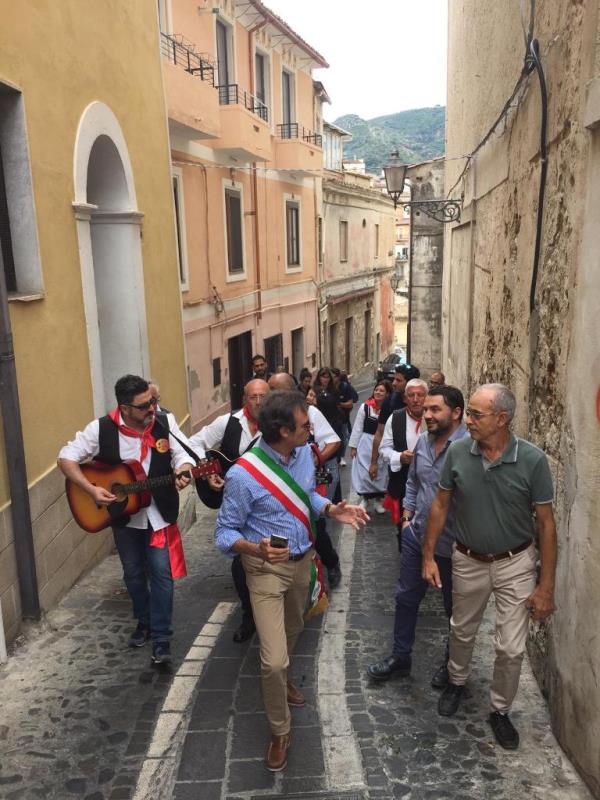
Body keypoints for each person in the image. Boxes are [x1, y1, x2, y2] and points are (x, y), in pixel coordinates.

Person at [214, 391, 368, 771]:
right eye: (303, 425)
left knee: (296, 625)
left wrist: (331, 507)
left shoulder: (303, 454)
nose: (310, 429)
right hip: (265, 570)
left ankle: (282, 683)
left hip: (304, 563)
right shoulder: (242, 475)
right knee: (274, 659)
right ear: (282, 430)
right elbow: (222, 534)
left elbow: (304, 499)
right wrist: (256, 548)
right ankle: (280, 730)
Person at [422, 383, 557, 750]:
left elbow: (546, 524)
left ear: (502, 419)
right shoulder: (458, 453)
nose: (468, 420)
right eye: (469, 414)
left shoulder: (532, 460)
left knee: (511, 648)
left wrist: (545, 586)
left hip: (516, 562)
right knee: (462, 630)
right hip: (468, 559)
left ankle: (500, 709)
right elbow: (440, 505)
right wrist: (429, 555)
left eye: (476, 415)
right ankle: (457, 680)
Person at [57, 374, 195, 665]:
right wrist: (91, 489)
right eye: (145, 405)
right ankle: (143, 622)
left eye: (153, 401)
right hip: (124, 519)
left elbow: (184, 454)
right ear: (125, 407)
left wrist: (183, 470)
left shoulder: (163, 423)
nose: (152, 408)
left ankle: (161, 638)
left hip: (159, 514)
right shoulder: (101, 429)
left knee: (161, 574)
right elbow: (66, 457)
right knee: (132, 574)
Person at [367, 385, 467, 687]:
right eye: (425, 410)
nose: (427, 415)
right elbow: (412, 483)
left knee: (456, 609)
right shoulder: (423, 442)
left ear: (457, 413)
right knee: (406, 598)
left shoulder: (469, 449)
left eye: (435, 409)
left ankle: (453, 667)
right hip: (416, 536)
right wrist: (408, 519)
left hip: (454, 545)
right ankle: (401, 656)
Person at [189, 379, 269, 643]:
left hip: (269, 504)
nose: (258, 402)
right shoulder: (227, 423)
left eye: (262, 397)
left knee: (275, 555)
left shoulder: (279, 423)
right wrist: (209, 469)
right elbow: (195, 442)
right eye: (253, 397)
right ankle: (249, 615)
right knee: (240, 562)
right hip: (238, 505)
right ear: (244, 399)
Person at [269, 373, 343, 588]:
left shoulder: (310, 413)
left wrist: (314, 458)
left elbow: (333, 441)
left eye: (274, 390)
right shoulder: (265, 418)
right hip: (274, 483)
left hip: (304, 482)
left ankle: (331, 562)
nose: (268, 395)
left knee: (315, 525)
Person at [379, 379, 428, 549]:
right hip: (404, 486)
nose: (415, 399)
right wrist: (400, 457)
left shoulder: (435, 417)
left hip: (431, 486)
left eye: (420, 395)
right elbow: (384, 450)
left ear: (427, 397)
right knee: (405, 529)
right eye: (411, 395)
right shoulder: (396, 417)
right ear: (405, 398)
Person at [369, 363, 420, 483]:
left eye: (398, 380)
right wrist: (374, 462)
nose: (394, 383)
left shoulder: (423, 403)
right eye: (394, 379)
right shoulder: (390, 402)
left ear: (410, 383)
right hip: (397, 465)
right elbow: (379, 433)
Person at [348, 380, 391, 513]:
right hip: (366, 443)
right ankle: (365, 500)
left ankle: (379, 501)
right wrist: (353, 446)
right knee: (365, 473)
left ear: (387, 394)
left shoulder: (390, 409)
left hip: (383, 443)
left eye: (381, 391)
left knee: (381, 473)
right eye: (376, 390)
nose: (378, 392)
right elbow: (357, 427)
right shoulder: (365, 407)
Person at [331, 368, 354, 467]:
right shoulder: (328, 388)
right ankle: (333, 457)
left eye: (333, 376)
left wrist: (339, 404)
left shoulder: (345, 387)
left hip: (343, 418)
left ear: (338, 377)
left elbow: (350, 404)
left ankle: (342, 457)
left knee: (343, 437)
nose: (331, 379)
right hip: (330, 419)